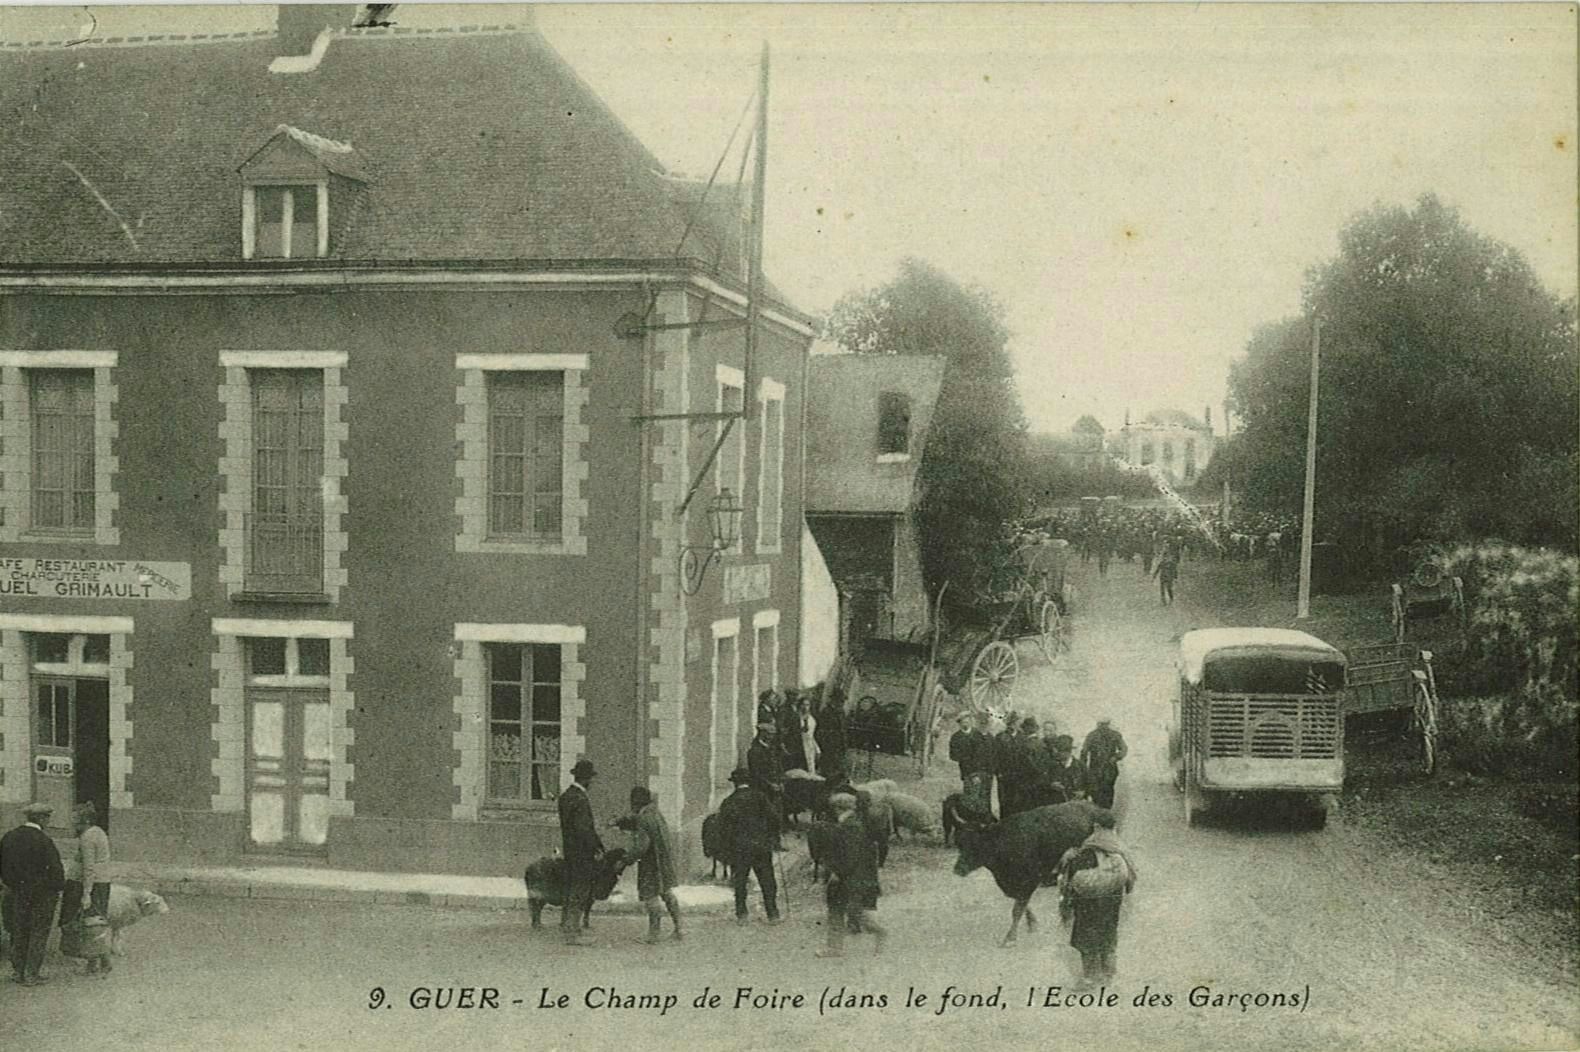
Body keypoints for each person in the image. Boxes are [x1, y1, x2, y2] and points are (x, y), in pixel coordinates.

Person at [1061, 810, 1137, 987]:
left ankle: (1089, 978)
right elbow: (1130, 877)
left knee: (1085, 936)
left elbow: (1073, 878)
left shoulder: (1088, 848)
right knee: (1108, 933)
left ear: (1096, 826)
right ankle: (1108, 974)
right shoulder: (1119, 847)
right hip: (1113, 899)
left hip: (1089, 901)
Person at [1, 802, 66, 985]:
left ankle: (18, 972)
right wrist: (57, 888)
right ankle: (31, 974)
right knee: (38, 931)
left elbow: (3, 866)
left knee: (19, 930)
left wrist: (13, 885)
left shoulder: (9, 837)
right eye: (47, 817)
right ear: (40, 818)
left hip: (17, 891)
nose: (48, 821)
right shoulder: (44, 840)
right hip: (43, 894)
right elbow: (56, 869)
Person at [815, 793, 886, 958]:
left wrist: (837, 873)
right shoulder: (853, 823)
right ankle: (835, 947)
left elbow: (849, 855)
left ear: (837, 808)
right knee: (845, 911)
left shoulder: (850, 826)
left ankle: (879, 934)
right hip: (857, 876)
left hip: (849, 877)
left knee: (844, 911)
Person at [616, 787, 683, 944]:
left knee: (650, 896)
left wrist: (625, 860)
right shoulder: (656, 813)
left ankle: (654, 934)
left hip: (651, 864)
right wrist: (622, 822)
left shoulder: (644, 818)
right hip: (664, 861)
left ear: (636, 802)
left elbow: (641, 847)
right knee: (667, 893)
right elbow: (637, 821)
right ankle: (679, 928)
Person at [716, 767, 781, 925]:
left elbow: (722, 828)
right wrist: (773, 836)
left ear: (735, 784)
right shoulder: (760, 797)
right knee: (767, 880)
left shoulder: (728, 802)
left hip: (739, 849)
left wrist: (727, 848)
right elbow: (774, 818)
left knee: (740, 881)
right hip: (761, 845)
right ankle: (772, 914)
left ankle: (742, 915)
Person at [60, 801, 113, 976]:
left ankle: (93, 963)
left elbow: (88, 867)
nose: (73, 824)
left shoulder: (87, 837)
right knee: (96, 922)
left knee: (87, 923)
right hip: (101, 882)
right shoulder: (98, 832)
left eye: (76, 820)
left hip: (89, 884)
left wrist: (86, 893)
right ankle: (102, 961)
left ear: (86, 821)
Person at [557, 759, 604, 946]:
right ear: (585, 779)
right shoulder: (580, 799)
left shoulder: (566, 796)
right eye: (591, 778)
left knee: (570, 888)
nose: (592, 782)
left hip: (570, 850)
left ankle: (568, 926)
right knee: (580, 891)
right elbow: (584, 829)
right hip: (582, 853)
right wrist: (597, 848)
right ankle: (572, 934)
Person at [746, 718, 786, 838]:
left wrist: (781, 782)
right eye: (769, 734)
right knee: (763, 815)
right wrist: (770, 784)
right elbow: (756, 773)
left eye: (773, 734)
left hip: (775, 787)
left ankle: (775, 841)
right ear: (762, 733)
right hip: (762, 789)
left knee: (777, 814)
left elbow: (778, 766)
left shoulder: (772, 748)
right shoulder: (755, 751)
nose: (772, 737)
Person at [1082, 719, 1129, 810]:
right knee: (1095, 791)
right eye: (1101, 724)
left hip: (1109, 769)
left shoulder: (1115, 735)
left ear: (1108, 724)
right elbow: (1084, 751)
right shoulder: (1091, 736)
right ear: (1098, 724)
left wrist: (1116, 757)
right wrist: (1083, 767)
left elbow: (1124, 749)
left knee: (1107, 790)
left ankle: (1106, 813)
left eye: (1105, 724)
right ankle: (1098, 812)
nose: (1103, 727)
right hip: (1095, 769)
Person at [813, 693, 847, 780]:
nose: (842, 703)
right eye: (840, 701)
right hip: (828, 743)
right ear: (834, 701)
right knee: (827, 765)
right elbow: (822, 728)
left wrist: (844, 743)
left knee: (838, 765)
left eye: (842, 701)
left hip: (838, 743)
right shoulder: (826, 711)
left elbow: (843, 728)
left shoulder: (841, 712)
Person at [1045, 734, 1089, 802]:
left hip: (1076, 805)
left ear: (1068, 752)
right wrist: (1051, 785)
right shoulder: (1052, 766)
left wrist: (1084, 792)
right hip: (1057, 804)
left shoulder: (1081, 766)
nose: (1057, 754)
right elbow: (1044, 783)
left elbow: (1091, 785)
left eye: (1061, 751)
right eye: (1058, 751)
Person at [1153, 540, 1180, 606]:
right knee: (1162, 589)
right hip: (1163, 576)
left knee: (1169, 588)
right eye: (1165, 557)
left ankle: (1171, 598)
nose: (1166, 558)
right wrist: (1154, 576)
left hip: (1169, 577)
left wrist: (1175, 578)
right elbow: (1157, 569)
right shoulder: (1162, 563)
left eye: (1168, 557)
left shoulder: (1172, 563)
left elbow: (1175, 571)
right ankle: (1163, 601)